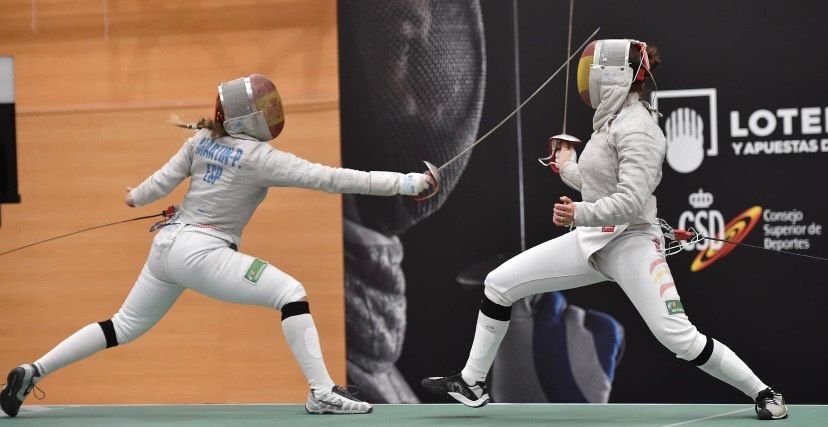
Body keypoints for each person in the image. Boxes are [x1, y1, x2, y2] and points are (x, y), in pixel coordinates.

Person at [0, 74, 432, 418]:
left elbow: (149, 190)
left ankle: (33, 370)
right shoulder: (259, 158)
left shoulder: (200, 141)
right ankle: (322, 392)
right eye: (265, 108)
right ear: (248, 118)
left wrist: (134, 196)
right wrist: (407, 182)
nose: (272, 113)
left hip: (167, 249)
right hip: (201, 252)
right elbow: (333, 178)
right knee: (291, 293)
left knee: (121, 326)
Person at [421, 40, 788, 421]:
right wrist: (566, 167)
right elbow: (600, 184)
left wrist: (577, 213)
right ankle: (473, 382)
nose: (585, 80)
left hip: (631, 243)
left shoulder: (641, 130)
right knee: (499, 284)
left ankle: (764, 392)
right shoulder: (611, 122)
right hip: (593, 240)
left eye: (590, 71)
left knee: (677, 336)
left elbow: (629, 201)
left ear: (616, 75)